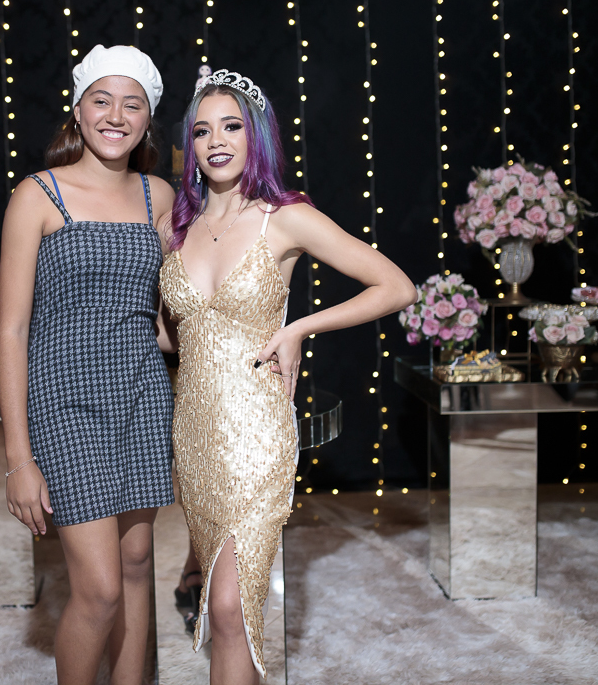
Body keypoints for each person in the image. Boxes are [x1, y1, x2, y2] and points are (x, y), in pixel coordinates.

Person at [157, 69, 416, 684]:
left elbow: (396, 286)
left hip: (256, 432)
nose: (216, 140)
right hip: (192, 437)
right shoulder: (174, 227)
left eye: (231, 126)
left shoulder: (285, 217)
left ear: (256, 135)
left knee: (230, 607)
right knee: (224, 612)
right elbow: (173, 335)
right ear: (190, 145)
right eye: (202, 131)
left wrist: (299, 327)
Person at [0, 44, 176, 685]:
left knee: (136, 565)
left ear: (148, 119)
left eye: (132, 104)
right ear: (78, 109)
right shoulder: (37, 194)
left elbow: (171, 313)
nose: (116, 116)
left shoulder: (160, 195)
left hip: (142, 394)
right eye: (102, 100)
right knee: (99, 589)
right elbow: (11, 330)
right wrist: (18, 458)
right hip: (64, 401)